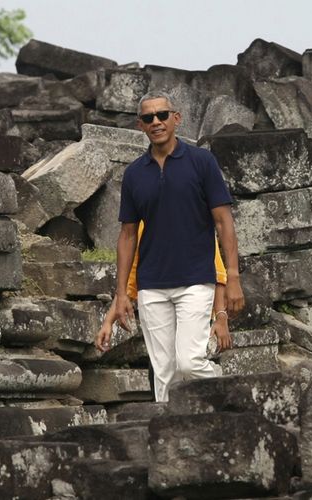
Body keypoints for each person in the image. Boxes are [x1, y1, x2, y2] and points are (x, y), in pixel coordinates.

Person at [109, 91, 244, 402]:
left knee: (189, 361)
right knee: (165, 372)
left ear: (176, 119)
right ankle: (171, 439)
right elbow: (127, 235)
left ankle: (233, 399)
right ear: (140, 125)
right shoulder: (133, 175)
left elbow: (224, 222)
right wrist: (120, 294)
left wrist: (233, 277)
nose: (156, 122)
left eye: (162, 115)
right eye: (148, 118)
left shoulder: (201, 162)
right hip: (152, 285)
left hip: (196, 279)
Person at [95, 221, 232, 356]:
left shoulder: (193, 212)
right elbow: (130, 282)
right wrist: (108, 321)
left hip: (194, 308)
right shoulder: (144, 223)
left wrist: (221, 315)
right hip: (158, 311)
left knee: (190, 363)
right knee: (162, 368)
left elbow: (217, 272)